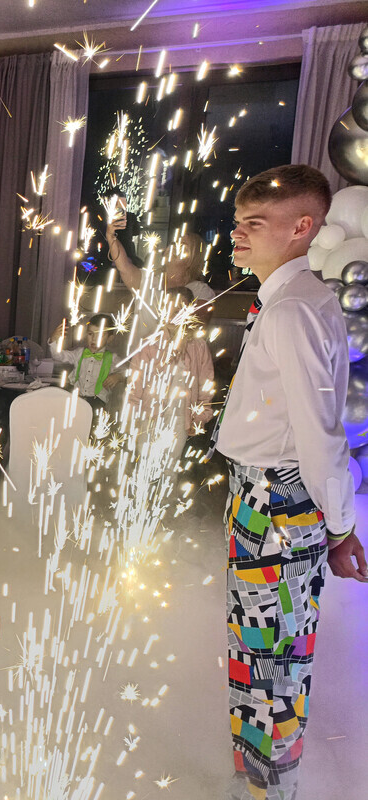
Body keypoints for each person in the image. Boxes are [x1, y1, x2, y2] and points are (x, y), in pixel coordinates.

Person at [211, 165, 366, 800]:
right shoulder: (289, 299)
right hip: (262, 496)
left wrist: (342, 529)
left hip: (275, 500)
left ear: (302, 227)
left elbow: (319, 435)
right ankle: (255, 781)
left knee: (271, 659)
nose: (237, 234)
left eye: (254, 223)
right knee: (260, 650)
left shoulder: (294, 311)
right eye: (238, 221)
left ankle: (270, 790)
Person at [126, 288, 214, 457]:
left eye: (179, 310)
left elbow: (206, 385)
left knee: (170, 465)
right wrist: (132, 417)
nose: (173, 315)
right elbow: (135, 385)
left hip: (181, 419)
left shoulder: (198, 346)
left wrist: (200, 417)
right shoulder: (149, 345)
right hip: (149, 417)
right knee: (145, 460)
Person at [49, 313, 120, 407]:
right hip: (77, 398)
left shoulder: (113, 358)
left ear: (109, 339)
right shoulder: (79, 353)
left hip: (97, 401)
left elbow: (127, 372)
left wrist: (118, 376)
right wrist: (53, 340)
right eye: (90, 334)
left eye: (100, 335)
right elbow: (59, 356)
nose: (94, 339)